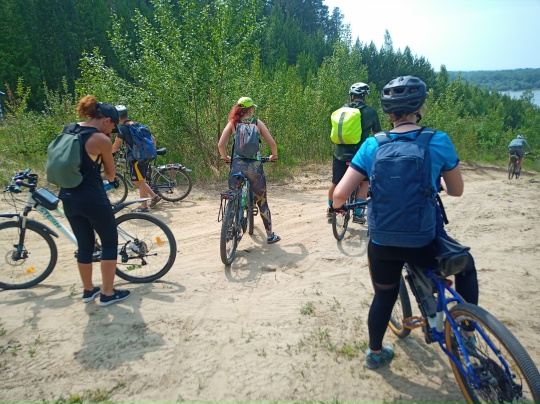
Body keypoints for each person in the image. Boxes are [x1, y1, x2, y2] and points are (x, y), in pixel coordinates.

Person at [332, 76, 479, 370]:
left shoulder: (373, 145)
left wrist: (339, 206)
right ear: (419, 108)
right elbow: (456, 190)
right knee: (466, 266)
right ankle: (466, 332)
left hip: (383, 243)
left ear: (388, 113)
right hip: (424, 241)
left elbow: (339, 195)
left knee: (383, 296)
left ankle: (375, 354)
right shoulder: (438, 140)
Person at [59, 95, 131, 306]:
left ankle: (88, 291)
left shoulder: (68, 129)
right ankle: (107, 293)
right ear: (107, 120)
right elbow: (110, 173)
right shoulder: (101, 140)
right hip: (92, 199)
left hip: (67, 197)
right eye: (112, 127)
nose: (112, 131)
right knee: (109, 243)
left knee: (85, 246)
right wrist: (111, 180)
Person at [218, 96, 281, 244]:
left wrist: (226, 157)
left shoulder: (233, 123)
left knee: (233, 197)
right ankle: (270, 235)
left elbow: (220, 145)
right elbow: (272, 143)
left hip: (237, 166)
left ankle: (228, 231)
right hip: (255, 168)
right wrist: (274, 156)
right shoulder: (257, 123)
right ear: (251, 109)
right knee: (262, 201)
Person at [327, 82, 381, 224]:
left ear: (351, 96)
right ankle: (358, 214)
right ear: (364, 96)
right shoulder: (370, 112)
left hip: (340, 153)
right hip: (360, 154)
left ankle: (330, 210)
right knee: (364, 183)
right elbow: (377, 134)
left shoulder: (341, 111)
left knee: (335, 182)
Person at [112, 105, 160, 212]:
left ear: (118, 117)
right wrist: (151, 153)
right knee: (137, 181)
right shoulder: (138, 125)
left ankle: (143, 207)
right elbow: (153, 139)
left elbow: (115, 147)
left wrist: (107, 154)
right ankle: (154, 196)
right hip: (143, 157)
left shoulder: (123, 129)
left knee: (140, 181)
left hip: (136, 160)